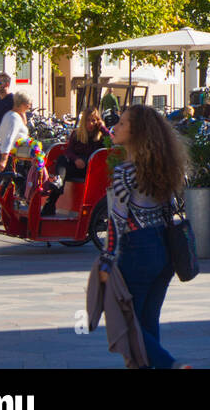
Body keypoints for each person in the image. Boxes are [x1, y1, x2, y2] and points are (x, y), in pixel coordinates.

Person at [98, 105, 190, 369]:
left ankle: (170, 365)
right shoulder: (164, 167)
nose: (115, 127)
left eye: (123, 124)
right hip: (164, 251)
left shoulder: (125, 172)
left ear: (137, 132)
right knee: (148, 322)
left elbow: (116, 220)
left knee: (128, 325)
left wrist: (107, 260)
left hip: (137, 249)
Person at [44, 105, 109, 216]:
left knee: (63, 170)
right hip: (76, 165)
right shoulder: (77, 133)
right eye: (88, 120)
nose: (91, 124)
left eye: (93, 120)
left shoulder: (101, 135)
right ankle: (54, 194)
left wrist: (103, 128)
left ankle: (51, 202)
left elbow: (113, 142)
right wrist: (76, 159)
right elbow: (68, 151)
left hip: (91, 168)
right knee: (62, 160)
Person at [0, 91, 31, 174]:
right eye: (28, 104)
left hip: (13, 155)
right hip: (14, 158)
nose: (29, 107)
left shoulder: (9, 115)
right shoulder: (14, 118)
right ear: (22, 104)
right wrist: (3, 160)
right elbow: (8, 138)